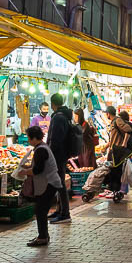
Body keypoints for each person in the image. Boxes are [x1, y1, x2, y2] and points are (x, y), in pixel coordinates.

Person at [22, 125, 62, 247]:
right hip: (50, 182)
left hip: (49, 182)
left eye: (29, 138)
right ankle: (43, 235)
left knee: (40, 210)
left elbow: (37, 170)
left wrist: (24, 172)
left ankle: (42, 237)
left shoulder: (41, 150)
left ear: (34, 138)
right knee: (41, 210)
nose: (28, 141)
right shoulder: (42, 147)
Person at [47, 92, 73, 224]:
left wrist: (49, 153)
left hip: (57, 155)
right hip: (63, 154)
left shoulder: (58, 118)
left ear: (53, 104)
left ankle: (65, 213)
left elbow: (55, 139)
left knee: (60, 183)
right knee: (59, 182)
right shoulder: (65, 116)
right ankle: (60, 209)